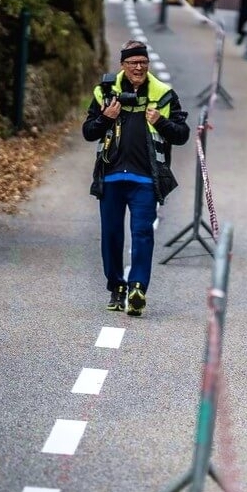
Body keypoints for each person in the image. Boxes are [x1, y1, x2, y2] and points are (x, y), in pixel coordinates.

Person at [82, 40, 190, 316]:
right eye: (133, 63)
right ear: (123, 66)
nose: (138, 67)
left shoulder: (164, 95)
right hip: (111, 177)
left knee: (142, 233)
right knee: (112, 235)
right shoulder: (105, 92)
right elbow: (89, 132)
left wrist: (160, 122)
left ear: (148, 65)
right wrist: (106, 117)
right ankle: (116, 287)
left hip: (145, 179)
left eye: (143, 62)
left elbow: (182, 135)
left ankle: (138, 287)